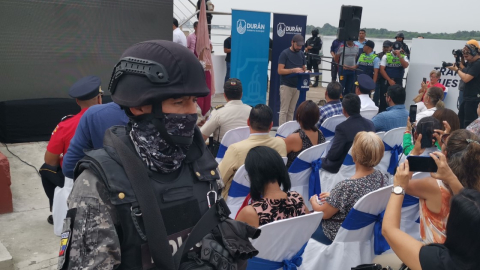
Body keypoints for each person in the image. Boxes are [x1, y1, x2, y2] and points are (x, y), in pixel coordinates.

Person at [58, 40, 258, 269]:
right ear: (138, 106)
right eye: (179, 102)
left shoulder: (202, 163)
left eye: (193, 101)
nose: (193, 112)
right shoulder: (98, 185)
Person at [382, 162, 480, 270]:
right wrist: (451, 178)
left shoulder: (439, 261)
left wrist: (399, 187)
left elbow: (389, 230)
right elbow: (470, 205)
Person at [40, 76, 102, 225]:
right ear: (100, 99)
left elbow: (50, 160)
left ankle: (58, 211)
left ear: (77, 101)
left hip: (76, 176)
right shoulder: (112, 118)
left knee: (46, 170)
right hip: (107, 173)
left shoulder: (66, 125)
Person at [310, 131, 387, 244]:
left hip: (336, 234)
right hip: (365, 231)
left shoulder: (346, 186)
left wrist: (313, 202)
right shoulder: (382, 177)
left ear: (354, 155)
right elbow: (361, 197)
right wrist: (334, 197)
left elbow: (324, 214)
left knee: (303, 222)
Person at [405, 130, 478, 244]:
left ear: (445, 155)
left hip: (436, 253)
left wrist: (414, 152)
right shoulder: (476, 184)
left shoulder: (433, 186)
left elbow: (403, 183)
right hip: (468, 250)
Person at [219, 104, 287, 198]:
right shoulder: (281, 144)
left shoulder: (236, 149)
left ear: (248, 122)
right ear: (271, 125)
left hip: (238, 204)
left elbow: (220, 179)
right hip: (271, 199)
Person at [236, 146, 309, 227]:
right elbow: (308, 227)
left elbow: (230, 237)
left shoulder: (252, 212)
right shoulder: (297, 198)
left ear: (253, 176)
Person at [62, 102, 129, 179]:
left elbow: (70, 168)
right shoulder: (94, 115)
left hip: (112, 186)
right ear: (98, 98)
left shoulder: (93, 115)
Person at [321, 94, 375, 174]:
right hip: (366, 164)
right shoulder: (370, 124)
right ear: (359, 107)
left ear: (344, 110)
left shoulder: (342, 128)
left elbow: (333, 155)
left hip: (343, 167)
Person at [200, 78, 252, 142]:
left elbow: (202, 136)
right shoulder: (252, 111)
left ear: (224, 95)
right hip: (247, 151)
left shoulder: (218, 112)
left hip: (223, 151)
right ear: (241, 95)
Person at [447, 40, 480, 128]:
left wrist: (457, 70)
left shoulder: (477, 64)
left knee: (469, 123)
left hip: (474, 99)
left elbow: (466, 78)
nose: (465, 58)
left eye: (467, 56)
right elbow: (464, 69)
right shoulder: (471, 63)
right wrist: (459, 60)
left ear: (474, 53)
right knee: (460, 121)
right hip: (467, 97)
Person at [284, 100, 326, 168]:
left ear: (299, 115)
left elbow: (280, 157)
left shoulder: (295, 138)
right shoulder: (320, 134)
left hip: (291, 176)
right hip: (309, 174)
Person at [277, 34, 307, 125]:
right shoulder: (285, 53)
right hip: (286, 85)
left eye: (301, 46)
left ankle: (289, 130)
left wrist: (306, 71)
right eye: (298, 45)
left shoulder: (302, 54)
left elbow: (303, 68)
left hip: (297, 85)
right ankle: (282, 131)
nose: (299, 47)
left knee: (291, 110)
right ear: (292, 42)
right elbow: (280, 70)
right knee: (284, 111)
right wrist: (293, 70)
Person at [378, 43, 409, 112]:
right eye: (395, 50)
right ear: (392, 48)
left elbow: (405, 66)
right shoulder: (386, 56)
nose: (396, 51)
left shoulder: (403, 56)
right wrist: (389, 80)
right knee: (384, 100)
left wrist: (400, 56)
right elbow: (382, 69)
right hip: (388, 80)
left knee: (397, 99)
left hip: (398, 81)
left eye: (397, 50)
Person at [373, 41, 393, 108]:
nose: (385, 48)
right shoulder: (378, 55)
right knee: (376, 96)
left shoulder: (393, 56)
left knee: (384, 97)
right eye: (384, 47)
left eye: (387, 47)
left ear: (391, 47)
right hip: (379, 78)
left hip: (387, 80)